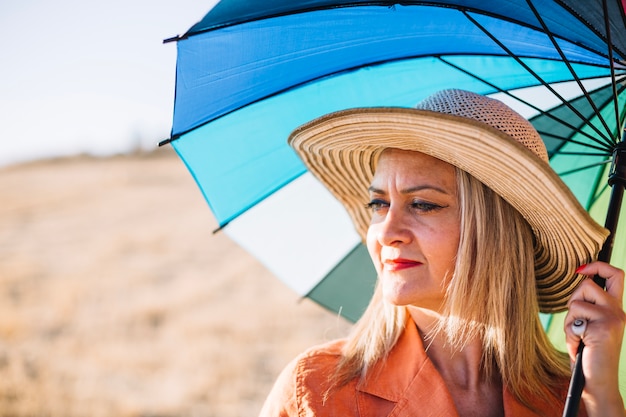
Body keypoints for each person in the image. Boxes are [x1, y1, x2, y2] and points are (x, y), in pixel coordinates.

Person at [259, 89, 626, 416]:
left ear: (495, 231)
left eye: (422, 204)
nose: (386, 231)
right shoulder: (316, 394)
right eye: (379, 203)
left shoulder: (571, 395)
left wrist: (603, 397)